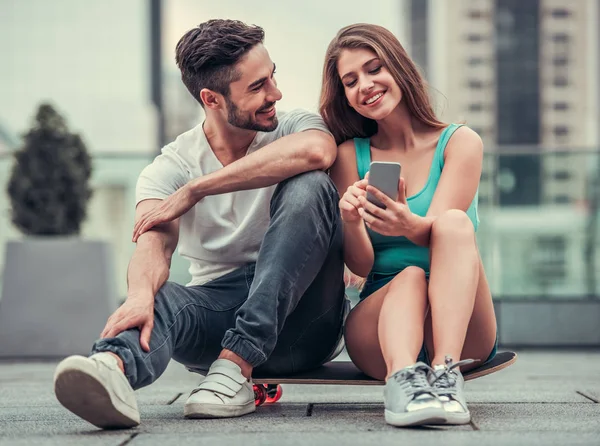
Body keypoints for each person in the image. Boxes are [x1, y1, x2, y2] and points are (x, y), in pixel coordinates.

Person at [53, 19, 348, 429]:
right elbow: (153, 245)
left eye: (272, 76)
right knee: (163, 298)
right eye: (258, 86)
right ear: (211, 98)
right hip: (218, 316)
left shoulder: (295, 126)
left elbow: (318, 152)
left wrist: (197, 190)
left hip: (304, 321)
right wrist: (140, 295)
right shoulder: (169, 166)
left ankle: (237, 365)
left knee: (310, 185)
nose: (275, 93)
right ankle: (112, 368)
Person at [319, 23, 498, 427]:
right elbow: (362, 267)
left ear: (398, 68)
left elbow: (442, 235)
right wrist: (350, 220)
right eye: (350, 81)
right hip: (382, 329)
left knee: (451, 224)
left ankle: (446, 375)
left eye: (374, 68)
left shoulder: (460, 142)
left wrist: (407, 224)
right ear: (345, 96)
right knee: (410, 276)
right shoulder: (349, 156)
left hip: (460, 328)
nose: (364, 85)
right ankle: (403, 385)